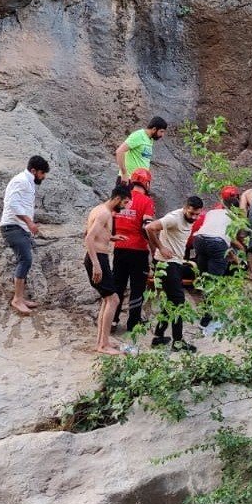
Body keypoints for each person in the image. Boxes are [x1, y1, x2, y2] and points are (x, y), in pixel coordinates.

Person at [145, 195, 204, 351]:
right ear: (185, 208)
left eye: (197, 214)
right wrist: (160, 247)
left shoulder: (190, 220)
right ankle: (178, 343)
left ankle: (158, 336)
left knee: (172, 301)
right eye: (191, 213)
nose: (194, 217)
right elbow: (149, 228)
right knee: (178, 302)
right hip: (166, 264)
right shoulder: (174, 218)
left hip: (176, 263)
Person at [84, 185, 132, 355]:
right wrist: (96, 264)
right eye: (125, 202)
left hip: (99, 257)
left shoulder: (99, 210)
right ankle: (103, 345)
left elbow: (95, 234)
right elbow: (89, 237)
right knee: (113, 300)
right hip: (97, 258)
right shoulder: (104, 213)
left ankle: (102, 341)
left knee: (108, 300)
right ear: (117, 198)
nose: (125, 206)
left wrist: (111, 237)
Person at [0, 155, 50, 315]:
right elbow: (12, 204)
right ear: (34, 170)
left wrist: (28, 224)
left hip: (18, 227)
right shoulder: (21, 180)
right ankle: (17, 299)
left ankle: (20, 298)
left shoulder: (27, 182)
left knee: (25, 261)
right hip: (12, 227)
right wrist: (29, 222)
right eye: (42, 173)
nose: (43, 177)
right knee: (25, 260)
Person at [191, 186, 243, 333]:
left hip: (199, 240)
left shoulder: (212, 212)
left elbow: (209, 230)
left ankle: (203, 306)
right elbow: (229, 240)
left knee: (204, 276)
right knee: (214, 281)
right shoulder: (235, 218)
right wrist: (237, 257)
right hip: (216, 243)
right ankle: (207, 317)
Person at [111, 168, 156, 333]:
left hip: (119, 248)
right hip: (138, 249)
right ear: (146, 183)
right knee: (137, 287)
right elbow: (147, 227)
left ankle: (113, 320)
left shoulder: (122, 197)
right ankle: (133, 322)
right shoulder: (146, 201)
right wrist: (154, 247)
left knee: (117, 285)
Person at [115, 117, 167, 185]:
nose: (162, 135)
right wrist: (124, 173)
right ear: (154, 129)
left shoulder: (150, 139)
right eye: (161, 131)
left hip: (139, 182)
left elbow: (143, 161)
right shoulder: (139, 135)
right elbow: (119, 151)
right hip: (128, 180)